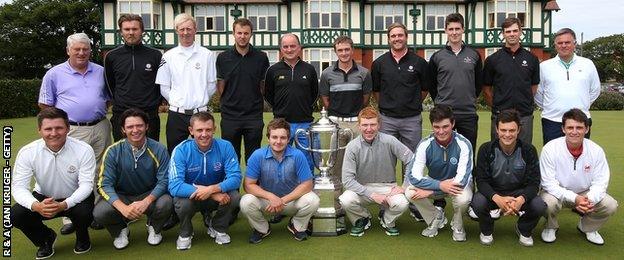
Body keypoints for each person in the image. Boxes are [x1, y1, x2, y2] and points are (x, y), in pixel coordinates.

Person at [38, 32, 112, 234]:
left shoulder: (100, 71)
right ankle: (69, 216)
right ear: (68, 50)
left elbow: (107, 98)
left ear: (90, 50)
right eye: (77, 49)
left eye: (85, 49)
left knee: (99, 169)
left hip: (100, 126)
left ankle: (95, 213)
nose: (81, 52)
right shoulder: (54, 74)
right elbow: (45, 103)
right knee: (71, 170)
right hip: (71, 128)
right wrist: (57, 128)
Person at [11, 108, 96, 259]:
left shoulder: (83, 149)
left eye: (59, 128)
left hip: (75, 196)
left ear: (68, 128)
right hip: (44, 198)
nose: (54, 133)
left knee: (85, 213)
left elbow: (86, 185)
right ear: (39, 130)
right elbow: (19, 187)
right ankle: (45, 238)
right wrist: (36, 205)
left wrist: (64, 204)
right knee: (16, 214)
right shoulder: (28, 152)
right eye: (48, 129)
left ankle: (82, 237)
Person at [93, 108, 172, 249]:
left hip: (149, 195)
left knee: (166, 202)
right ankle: (120, 230)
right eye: (130, 127)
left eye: (139, 125)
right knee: (100, 212)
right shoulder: (113, 151)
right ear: (123, 129)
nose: (135, 130)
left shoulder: (159, 149)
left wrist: (146, 201)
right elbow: (103, 185)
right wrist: (122, 208)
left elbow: (165, 181)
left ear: (147, 126)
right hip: (122, 196)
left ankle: (154, 227)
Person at [539, 108, 618, 245]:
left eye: (579, 127)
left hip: (585, 193)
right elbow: (548, 183)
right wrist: (575, 198)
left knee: (610, 205)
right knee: (547, 203)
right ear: (563, 129)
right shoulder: (550, 149)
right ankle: (551, 226)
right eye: (570, 127)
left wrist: (589, 199)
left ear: (586, 129)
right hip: (556, 192)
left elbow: (601, 182)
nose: (574, 131)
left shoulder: (596, 150)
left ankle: (587, 227)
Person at [471, 109, 546, 246]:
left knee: (539, 205)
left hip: (519, 193)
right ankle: (486, 230)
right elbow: (481, 181)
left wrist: (520, 200)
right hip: (494, 193)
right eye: (503, 130)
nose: (507, 134)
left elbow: (534, 183)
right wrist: (497, 198)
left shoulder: (529, 150)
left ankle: (523, 228)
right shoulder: (486, 149)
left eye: (512, 130)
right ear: (497, 130)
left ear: (519, 130)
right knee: (478, 202)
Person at [168, 112, 242, 250]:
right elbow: (174, 185)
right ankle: (185, 233)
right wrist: (212, 192)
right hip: (192, 197)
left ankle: (218, 227)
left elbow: (236, 177)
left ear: (214, 129)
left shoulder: (225, 146)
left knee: (234, 196)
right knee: (181, 203)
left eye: (208, 129)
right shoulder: (181, 150)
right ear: (191, 131)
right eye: (199, 130)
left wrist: (212, 189)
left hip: (215, 195)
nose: (204, 134)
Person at [240, 118, 320, 243]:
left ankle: (296, 225)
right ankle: (262, 229)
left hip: (291, 201)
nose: (278, 141)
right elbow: (248, 185)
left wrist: (281, 200)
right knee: (246, 201)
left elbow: (308, 184)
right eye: (274, 137)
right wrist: (271, 197)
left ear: (288, 140)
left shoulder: (297, 155)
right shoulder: (257, 155)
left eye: (283, 138)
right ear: (268, 138)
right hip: (267, 202)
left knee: (313, 200)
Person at [339, 107, 411, 237]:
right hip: (362, 188)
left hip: (388, 187)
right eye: (365, 125)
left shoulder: (390, 140)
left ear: (379, 125)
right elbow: (347, 180)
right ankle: (362, 218)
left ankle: (387, 220)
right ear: (359, 126)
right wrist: (372, 195)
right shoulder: (352, 146)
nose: (369, 129)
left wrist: (405, 185)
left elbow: (412, 160)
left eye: (373, 124)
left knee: (402, 203)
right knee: (345, 199)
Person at [405, 104, 473, 242]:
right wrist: (439, 185)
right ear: (432, 125)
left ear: (453, 124)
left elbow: (461, 180)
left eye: (445, 126)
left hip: (458, 184)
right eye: (436, 127)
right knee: (410, 192)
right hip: (436, 182)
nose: (441, 131)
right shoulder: (425, 144)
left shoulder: (464, 144)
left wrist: (431, 191)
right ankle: (436, 217)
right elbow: (413, 176)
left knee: (463, 198)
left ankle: (458, 225)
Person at [156, 13, 217, 154]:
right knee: (176, 154)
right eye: (182, 29)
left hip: (201, 113)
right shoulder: (168, 56)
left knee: (204, 152)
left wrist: (198, 100)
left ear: (195, 30)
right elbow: (164, 87)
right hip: (176, 115)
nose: (185, 33)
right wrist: (179, 102)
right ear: (176, 30)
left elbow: (211, 85)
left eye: (189, 29)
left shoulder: (207, 55)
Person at [319, 34, 372, 196]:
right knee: (335, 164)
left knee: (358, 163)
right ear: (336, 52)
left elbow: (365, 98)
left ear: (352, 50)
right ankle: (337, 202)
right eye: (340, 50)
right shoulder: (327, 74)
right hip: (335, 123)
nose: (344, 53)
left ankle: (356, 201)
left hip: (357, 123)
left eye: (347, 49)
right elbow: (326, 100)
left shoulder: (364, 73)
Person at [216, 18, 270, 163]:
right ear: (233, 34)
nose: (242, 36)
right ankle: (231, 186)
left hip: (253, 116)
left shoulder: (261, 57)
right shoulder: (223, 57)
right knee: (230, 159)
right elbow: (221, 85)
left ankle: (253, 186)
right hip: (230, 116)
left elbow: (263, 85)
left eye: (246, 33)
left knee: (253, 159)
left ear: (251, 34)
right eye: (239, 33)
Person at [371, 22, 430, 153]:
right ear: (389, 39)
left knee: (411, 160)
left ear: (406, 37)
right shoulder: (379, 63)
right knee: (385, 160)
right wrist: (388, 105)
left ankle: (408, 175)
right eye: (393, 36)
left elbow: (425, 90)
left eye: (400, 35)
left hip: (412, 120)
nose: (397, 38)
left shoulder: (419, 63)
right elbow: (376, 91)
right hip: (387, 121)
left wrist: (410, 103)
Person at [535, 28, 600, 144]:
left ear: (574, 44)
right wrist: (551, 107)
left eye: (567, 42)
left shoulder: (587, 64)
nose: (563, 46)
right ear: (555, 45)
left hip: (580, 121)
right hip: (552, 121)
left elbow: (595, 90)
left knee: (580, 158)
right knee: (553, 158)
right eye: (560, 43)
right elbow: (538, 93)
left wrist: (583, 104)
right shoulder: (544, 66)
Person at [428, 13, 482, 150]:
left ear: (463, 29)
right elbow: (432, 85)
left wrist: (468, 98)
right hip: (444, 114)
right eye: (451, 29)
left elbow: (478, 84)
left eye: (457, 29)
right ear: (446, 30)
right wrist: (442, 103)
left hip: (468, 113)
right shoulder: (437, 57)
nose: (454, 32)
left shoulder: (474, 55)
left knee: (468, 152)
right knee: (442, 155)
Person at [264, 33, 318, 171]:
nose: (289, 49)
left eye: (293, 46)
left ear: (299, 47)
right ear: (281, 49)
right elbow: (269, 95)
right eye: (285, 46)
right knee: (280, 157)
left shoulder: (309, 69)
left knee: (306, 158)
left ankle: (307, 187)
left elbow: (314, 94)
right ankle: (283, 187)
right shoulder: (273, 70)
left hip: (304, 122)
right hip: (281, 123)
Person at [105, 14, 163, 142]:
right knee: (123, 155)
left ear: (142, 31)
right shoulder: (112, 56)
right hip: (121, 114)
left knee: (150, 155)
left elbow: (161, 84)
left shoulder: (156, 55)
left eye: (135, 29)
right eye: (126, 29)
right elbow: (110, 84)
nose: (131, 33)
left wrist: (153, 103)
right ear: (121, 32)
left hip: (149, 114)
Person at [483, 17, 540, 145]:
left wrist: (524, 103)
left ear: (520, 32)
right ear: (503, 34)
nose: (512, 34)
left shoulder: (532, 59)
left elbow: (534, 87)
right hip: (500, 116)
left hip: (524, 115)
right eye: (508, 31)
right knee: (497, 154)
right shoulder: (492, 60)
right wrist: (498, 107)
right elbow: (486, 90)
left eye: (515, 31)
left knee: (524, 153)